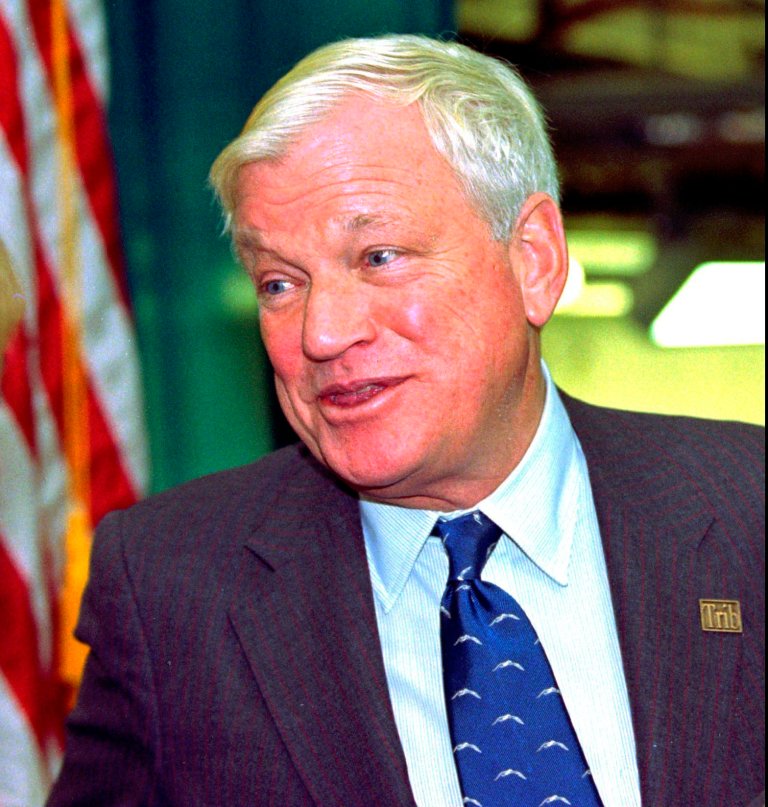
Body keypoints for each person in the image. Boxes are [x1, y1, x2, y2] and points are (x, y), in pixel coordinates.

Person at [47, 35, 764, 807]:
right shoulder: (172, 590)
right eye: (280, 282)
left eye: (378, 257)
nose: (321, 332)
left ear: (534, 259)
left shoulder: (745, 510)